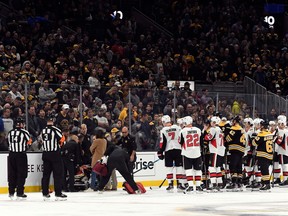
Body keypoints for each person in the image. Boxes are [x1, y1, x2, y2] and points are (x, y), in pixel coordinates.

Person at [157, 115, 186, 192]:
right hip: (178, 149)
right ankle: (179, 184)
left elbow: (162, 142)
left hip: (168, 150)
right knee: (179, 167)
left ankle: (170, 184)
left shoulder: (163, 130)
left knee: (169, 168)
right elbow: (182, 138)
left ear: (163, 122)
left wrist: (160, 152)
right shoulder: (177, 127)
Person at [40, 118, 67, 200]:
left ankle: (45, 193)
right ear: (53, 121)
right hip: (54, 154)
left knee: (46, 175)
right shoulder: (56, 129)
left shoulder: (43, 130)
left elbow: (41, 140)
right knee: (58, 174)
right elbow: (63, 140)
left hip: (45, 153)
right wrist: (60, 147)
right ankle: (58, 193)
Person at [7, 117, 32, 199]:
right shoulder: (24, 132)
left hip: (11, 155)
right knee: (21, 173)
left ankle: (11, 192)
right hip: (20, 155)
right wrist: (25, 147)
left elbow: (8, 142)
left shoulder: (10, 132)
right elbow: (29, 142)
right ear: (21, 124)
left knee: (12, 174)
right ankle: (20, 192)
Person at [179, 116, 203, 193]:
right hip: (197, 152)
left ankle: (191, 186)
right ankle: (198, 186)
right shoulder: (198, 130)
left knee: (188, 170)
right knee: (198, 170)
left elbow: (180, 142)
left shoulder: (183, 131)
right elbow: (201, 141)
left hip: (187, 153)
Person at [252, 120, 274, 190]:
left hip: (263, 154)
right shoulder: (270, 133)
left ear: (262, 126)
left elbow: (254, 143)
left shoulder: (261, 134)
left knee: (264, 170)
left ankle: (267, 184)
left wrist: (254, 137)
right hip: (269, 154)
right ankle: (264, 183)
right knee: (265, 169)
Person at [225, 116, 246, 191]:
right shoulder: (241, 129)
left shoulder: (234, 129)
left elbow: (228, 139)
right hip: (241, 150)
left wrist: (226, 132)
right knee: (239, 166)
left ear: (235, 121)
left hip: (235, 149)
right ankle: (240, 182)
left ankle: (234, 183)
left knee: (233, 165)